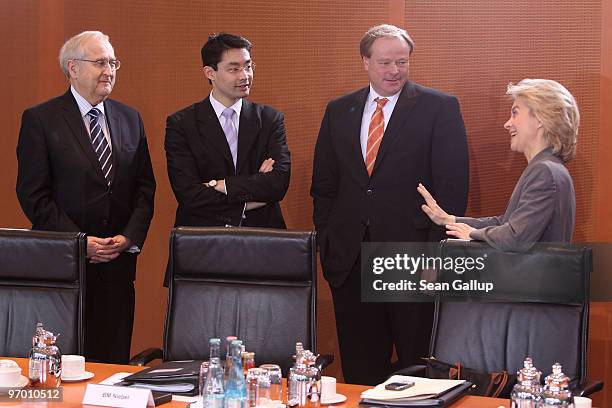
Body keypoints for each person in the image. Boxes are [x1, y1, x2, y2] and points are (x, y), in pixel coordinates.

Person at [311, 24, 469, 385]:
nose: (394, 70)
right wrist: (328, 239)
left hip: (410, 255)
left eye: (401, 61)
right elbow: (324, 185)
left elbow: (451, 188)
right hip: (350, 259)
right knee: (360, 369)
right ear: (365, 62)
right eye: (384, 63)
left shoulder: (438, 107)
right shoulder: (339, 110)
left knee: (417, 370)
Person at [16, 31, 156, 364]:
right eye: (100, 62)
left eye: (113, 62)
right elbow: (33, 195)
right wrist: (80, 242)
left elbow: (145, 188)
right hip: (64, 268)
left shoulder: (129, 118)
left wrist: (129, 237)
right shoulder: (41, 119)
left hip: (117, 269)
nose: (109, 70)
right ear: (73, 68)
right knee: (62, 369)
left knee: (111, 365)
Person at [418, 78, 577, 252]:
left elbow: (515, 237)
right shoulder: (547, 168)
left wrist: (472, 234)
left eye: (515, 113)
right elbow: (504, 223)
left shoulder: (545, 171)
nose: (507, 123)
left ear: (540, 118)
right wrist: (450, 220)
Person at [165, 33, 290, 230]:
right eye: (234, 69)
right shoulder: (182, 124)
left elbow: (277, 184)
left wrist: (220, 185)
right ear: (209, 72)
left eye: (248, 66)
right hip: (204, 239)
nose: (244, 76)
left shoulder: (270, 119)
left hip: (264, 238)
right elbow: (189, 194)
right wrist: (253, 191)